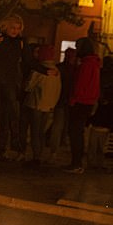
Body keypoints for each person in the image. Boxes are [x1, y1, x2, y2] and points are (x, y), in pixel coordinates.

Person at [0, 14, 56, 162]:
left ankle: (2, 150)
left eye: (18, 28)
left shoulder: (21, 43)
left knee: (8, 115)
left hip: (9, 81)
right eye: (12, 27)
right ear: (6, 27)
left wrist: (45, 71)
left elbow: (29, 61)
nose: (15, 31)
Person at [63, 37, 101, 173]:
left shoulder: (86, 64)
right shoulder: (94, 63)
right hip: (87, 102)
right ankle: (76, 162)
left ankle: (76, 163)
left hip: (80, 102)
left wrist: (73, 99)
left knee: (75, 133)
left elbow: (80, 84)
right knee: (77, 132)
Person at [20, 44, 61, 168]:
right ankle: (40, 155)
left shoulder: (39, 70)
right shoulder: (57, 71)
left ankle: (36, 157)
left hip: (36, 104)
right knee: (41, 132)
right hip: (48, 106)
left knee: (35, 132)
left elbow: (28, 87)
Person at [48, 47, 77, 161]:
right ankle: (58, 148)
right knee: (62, 126)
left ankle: (54, 150)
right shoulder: (75, 69)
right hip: (68, 101)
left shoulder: (60, 68)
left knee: (58, 126)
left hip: (61, 100)